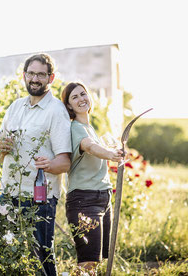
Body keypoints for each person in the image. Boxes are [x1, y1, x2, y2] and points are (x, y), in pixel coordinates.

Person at [0, 53, 72, 276]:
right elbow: (1, 154)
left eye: (41, 74)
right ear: (24, 75)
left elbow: (65, 162)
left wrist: (49, 164)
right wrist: (3, 149)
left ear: (50, 78)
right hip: (8, 192)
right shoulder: (15, 107)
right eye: (31, 73)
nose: (34, 78)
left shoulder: (56, 111)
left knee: (41, 255)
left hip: (39, 197)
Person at [61, 82, 124, 275]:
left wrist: (115, 152)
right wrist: (110, 154)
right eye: (74, 97)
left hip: (101, 199)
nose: (81, 99)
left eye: (83, 94)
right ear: (69, 106)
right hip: (84, 201)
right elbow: (89, 147)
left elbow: (97, 148)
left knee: (94, 264)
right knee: (87, 264)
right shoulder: (76, 128)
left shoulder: (91, 129)